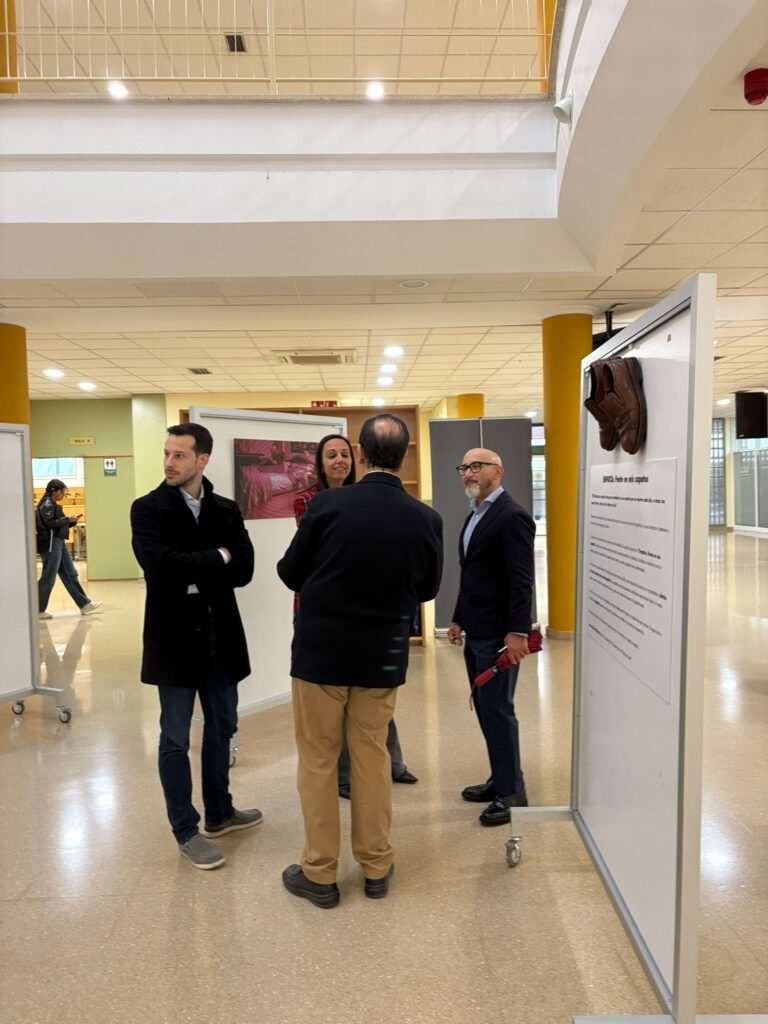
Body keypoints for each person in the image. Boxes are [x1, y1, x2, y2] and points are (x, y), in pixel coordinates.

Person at [277, 414, 443, 908]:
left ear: (362, 455)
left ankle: (320, 873)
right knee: (371, 756)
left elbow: (290, 573)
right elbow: (428, 589)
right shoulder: (425, 518)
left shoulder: (326, 506)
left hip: (321, 654)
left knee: (319, 759)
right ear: (404, 456)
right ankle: (376, 865)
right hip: (382, 654)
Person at [130, 423, 260, 871]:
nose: (169, 463)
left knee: (223, 727)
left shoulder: (225, 509)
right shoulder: (147, 509)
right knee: (174, 737)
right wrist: (219, 556)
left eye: (180, 455)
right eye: (167, 453)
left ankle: (220, 812)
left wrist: (199, 567)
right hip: (174, 641)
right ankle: (186, 829)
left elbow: (245, 570)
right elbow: (163, 568)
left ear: (202, 460)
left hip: (221, 638)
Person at [293, 433, 418, 799]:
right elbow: (308, 561)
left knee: (373, 702)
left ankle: (392, 763)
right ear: (320, 463)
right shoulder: (310, 501)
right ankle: (344, 775)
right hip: (322, 614)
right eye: (331, 455)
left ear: (357, 458)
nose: (339, 461)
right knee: (334, 708)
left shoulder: (368, 496)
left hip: (371, 614)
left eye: (344, 454)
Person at [447, 448, 535, 827]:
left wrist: (517, 633)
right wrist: (457, 618)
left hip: (499, 636)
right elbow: (472, 574)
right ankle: (501, 778)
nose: (468, 472)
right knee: (486, 709)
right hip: (477, 630)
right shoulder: (476, 514)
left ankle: (513, 792)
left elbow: (521, 580)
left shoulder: (511, 516)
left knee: (498, 710)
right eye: (464, 467)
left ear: (498, 471)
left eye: (476, 466)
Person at [36, 478, 100, 619]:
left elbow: (57, 524)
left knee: (70, 574)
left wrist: (70, 521)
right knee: (48, 577)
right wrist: (67, 519)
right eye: (62, 491)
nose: (63, 494)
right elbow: (50, 523)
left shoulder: (52, 504)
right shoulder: (47, 504)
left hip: (58, 541)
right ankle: (38, 609)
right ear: (54, 491)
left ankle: (84, 604)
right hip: (51, 543)